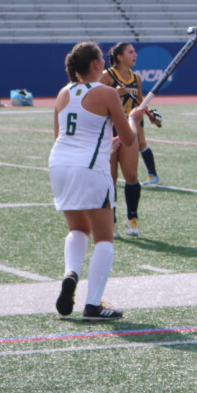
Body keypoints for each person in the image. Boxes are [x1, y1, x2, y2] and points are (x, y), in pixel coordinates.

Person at [49, 41, 145, 321]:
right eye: (101, 58)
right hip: (89, 168)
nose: (104, 61)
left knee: (78, 228)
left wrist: (105, 143)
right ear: (95, 64)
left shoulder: (63, 92)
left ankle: (71, 274)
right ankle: (93, 304)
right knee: (104, 238)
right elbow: (129, 139)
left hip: (59, 165)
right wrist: (134, 118)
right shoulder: (107, 92)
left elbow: (63, 135)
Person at [98, 43, 163, 237]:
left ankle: (132, 218)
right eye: (130, 52)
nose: (135, 55)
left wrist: (151, 115)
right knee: (110, 178)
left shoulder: (136, 78)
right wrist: (114, 93)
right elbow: (95, 99)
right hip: (109, 129)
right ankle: (111, 221)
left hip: (128, 127)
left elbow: (139, 101)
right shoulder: (107, 76)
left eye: (134, 52)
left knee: (132, 175)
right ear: (119, 57)